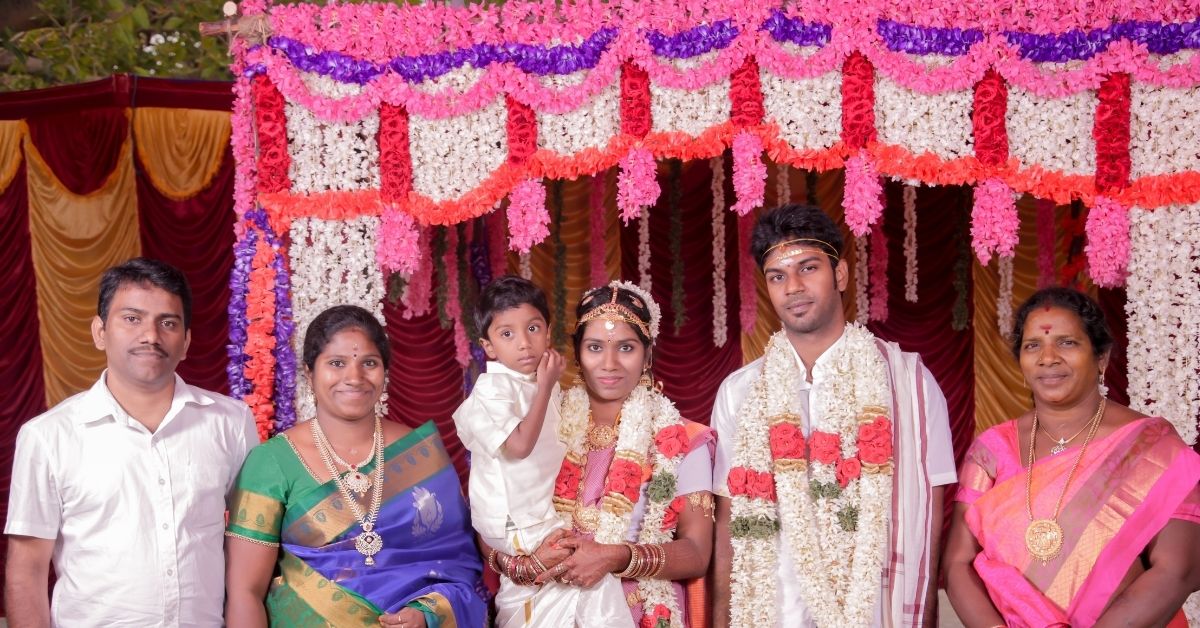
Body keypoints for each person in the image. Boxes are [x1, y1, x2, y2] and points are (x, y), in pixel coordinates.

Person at [711, 203, 957, 627]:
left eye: (808, 268)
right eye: (777, 276)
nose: (793, 287)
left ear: (840, 274)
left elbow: (931, 515)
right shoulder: (740, 392)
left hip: (875, 607)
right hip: (773, 609)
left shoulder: (909, 383)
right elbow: (729, 522)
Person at [4, 257, 259, 627]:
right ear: (99, 332)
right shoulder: (47, 436)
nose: (150, 336)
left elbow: (249, 546)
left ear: (186, 341)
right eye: (132, 318)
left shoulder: (230, 421)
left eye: (167, 323)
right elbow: (26, 570)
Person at [944, 287, 1200, 627]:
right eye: (1032, 345)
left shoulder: (1150, 445)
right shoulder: (992, 450)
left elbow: (1178, 570)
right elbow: (957, 563)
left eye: (1067, 342)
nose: (1048, 358)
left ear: (1101, 358)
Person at [224, 305, 486, 628]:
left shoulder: (422, 455)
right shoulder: (272, 462)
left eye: (369, 363)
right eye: (337, 363)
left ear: (385, 372)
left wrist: (429, 614)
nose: (355, 377)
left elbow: (457, 565)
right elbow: (244, 592)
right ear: (309, 372)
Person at [485, 280, 715, 627]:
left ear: (648, 354)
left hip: (638, 612)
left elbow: (696, 553)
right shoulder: (536, 426)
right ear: (577, 353)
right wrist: (521, 565)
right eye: (595, 347)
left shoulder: (683, 439)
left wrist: (614, 557)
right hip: (542, 609)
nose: (610, 364)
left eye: (626, 347)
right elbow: (487, 516)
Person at [452, 276, 632, 627]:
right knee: (581, 589)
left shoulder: (539, 383)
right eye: (507, 335)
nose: (524, 344)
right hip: (516, 523)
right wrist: (547, 384)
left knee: (590, 587)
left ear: (548, 333)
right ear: (487, 347)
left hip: (543, 514)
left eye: (533, 328)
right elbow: (519, 446)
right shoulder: (491, 391)